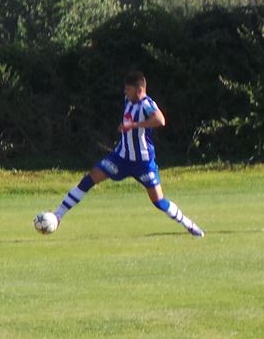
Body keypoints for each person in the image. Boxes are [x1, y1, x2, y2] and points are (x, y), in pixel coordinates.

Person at [36, 71, 205, 237]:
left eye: (128, 89)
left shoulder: (147, 104)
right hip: (121, 158)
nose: (125, 92)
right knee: (90, 178)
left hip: (143, 163)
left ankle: (188, 224)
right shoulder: (128, 100)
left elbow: (160, 120)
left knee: (158, 201)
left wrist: (133, 125)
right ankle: (58, 215)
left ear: (139, 90)